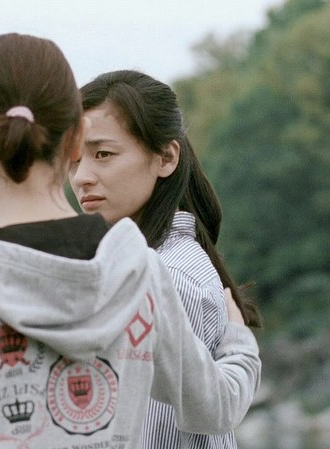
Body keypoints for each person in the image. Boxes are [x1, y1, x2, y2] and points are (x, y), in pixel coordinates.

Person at [0, 33, 260, 449]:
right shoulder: (138, 271)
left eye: (104, 155)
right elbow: (213, 409)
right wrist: (238, 344)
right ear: (76, 136)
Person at [68, 69, 263, 449]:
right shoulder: (138, 268)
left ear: (166, 157)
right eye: (73, 160)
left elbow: (156, 434)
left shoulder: (170, 278)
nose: (81, 178)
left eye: (103, 154)